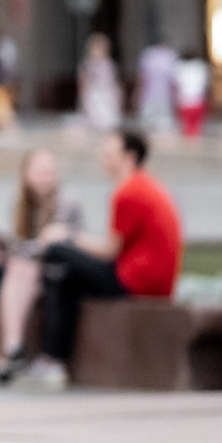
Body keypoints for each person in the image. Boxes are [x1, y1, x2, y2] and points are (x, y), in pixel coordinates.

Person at [28, 130, 182, 389]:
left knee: (57, 253)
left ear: (129, 157)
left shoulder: (129, 191)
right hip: (144, 277)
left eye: (110, 153)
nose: (104, 159)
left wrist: (66, 235)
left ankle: (51, 360)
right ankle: (52, 360)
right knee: (65, 277)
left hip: (136, 280)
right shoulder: (143, 185)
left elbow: (109, 250)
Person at [0, 147, 83, 383]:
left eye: (50, 172)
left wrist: (12, 250)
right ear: (25, 174)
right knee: (11, 266)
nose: (45, 177)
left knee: (19, 266)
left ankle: (11, 350)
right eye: (40, 171)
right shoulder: (20, 205)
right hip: (25, 274)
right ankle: (13, 349)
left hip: (54, 273)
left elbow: (47, 249)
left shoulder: (67, 205)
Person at [77, 34, 123, 132]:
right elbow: (83, 82)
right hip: (94, 95)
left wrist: (118, 94)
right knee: (95, 122)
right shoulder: (87, 64)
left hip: (108, 95)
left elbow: (113, 81)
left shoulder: (109, 64)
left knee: (108, 122)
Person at [137, 40, 179, 135]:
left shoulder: (168, 55)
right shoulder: (150, 55)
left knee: (162, 123)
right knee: (150, 122)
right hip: (152, 94)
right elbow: (143, 77)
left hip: (163, 95)